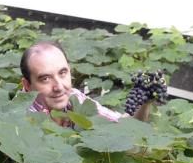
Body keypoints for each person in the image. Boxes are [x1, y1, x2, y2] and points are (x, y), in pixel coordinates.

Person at [19, 41, 151, 123]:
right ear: (27, 85)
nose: (59, 87)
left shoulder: (75, 98)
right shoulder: (21, 118)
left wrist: (144, 103)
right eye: (45, 78)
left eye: (62, 73)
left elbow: (123, 126)